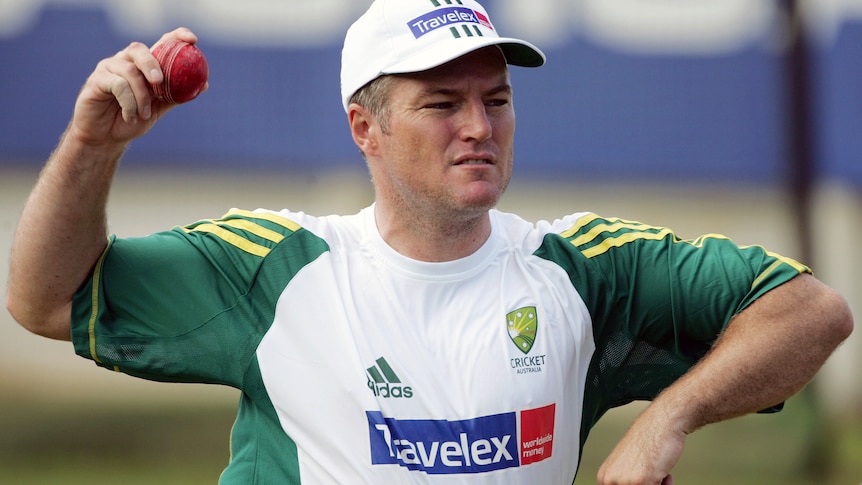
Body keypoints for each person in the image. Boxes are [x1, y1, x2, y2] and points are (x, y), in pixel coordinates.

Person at [5, 0, 853, 483]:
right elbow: (45, 298)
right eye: (443, 104)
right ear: (364, 127)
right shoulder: (276, 269)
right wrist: (92, 145)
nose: (480, 127)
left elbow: (810, 310)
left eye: (497, 99)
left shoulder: (585, 270)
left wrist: (668, 418)